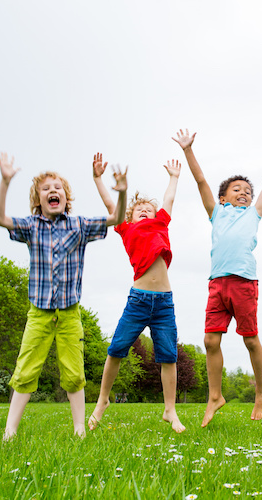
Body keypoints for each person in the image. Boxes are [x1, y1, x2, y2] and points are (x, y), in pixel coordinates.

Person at [0, 152, 123, 440]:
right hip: (38, 313)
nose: (53, 191)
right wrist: (5, 181)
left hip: (69, 313)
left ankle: (80, 430)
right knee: (26, 371)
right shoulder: (31, 225)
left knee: (74, 372)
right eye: (46, 188)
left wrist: (118, 190)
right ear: (37, 200)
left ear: (66, 197)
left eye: (58, 188)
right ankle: (9, 432)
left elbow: (116, 217)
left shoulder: (78, 226)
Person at [172, 128, 262, 427]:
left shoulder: (253, 214)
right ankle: (215, 396)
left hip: (244, 282)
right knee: (210, 340)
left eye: (247, 190)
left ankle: (261, 392)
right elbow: (200, 181)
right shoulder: (217, 213)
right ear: (223, 198)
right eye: (237, 189)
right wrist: (187, 150)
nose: (244, 192)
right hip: (217, 283)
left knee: (250, 340)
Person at [88, 153, 186, 433]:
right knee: (116, 349)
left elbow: (168, 201)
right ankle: (102, 401)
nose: (145, 210)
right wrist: (98, 179)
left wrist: (174, 178)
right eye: (139, 208)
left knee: (169, 356)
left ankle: (170, 410)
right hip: (138, 300)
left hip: (164, 303)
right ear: (129, 216)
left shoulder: (161, 224)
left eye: (149, 209)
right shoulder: (126, 228)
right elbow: (111, 203)